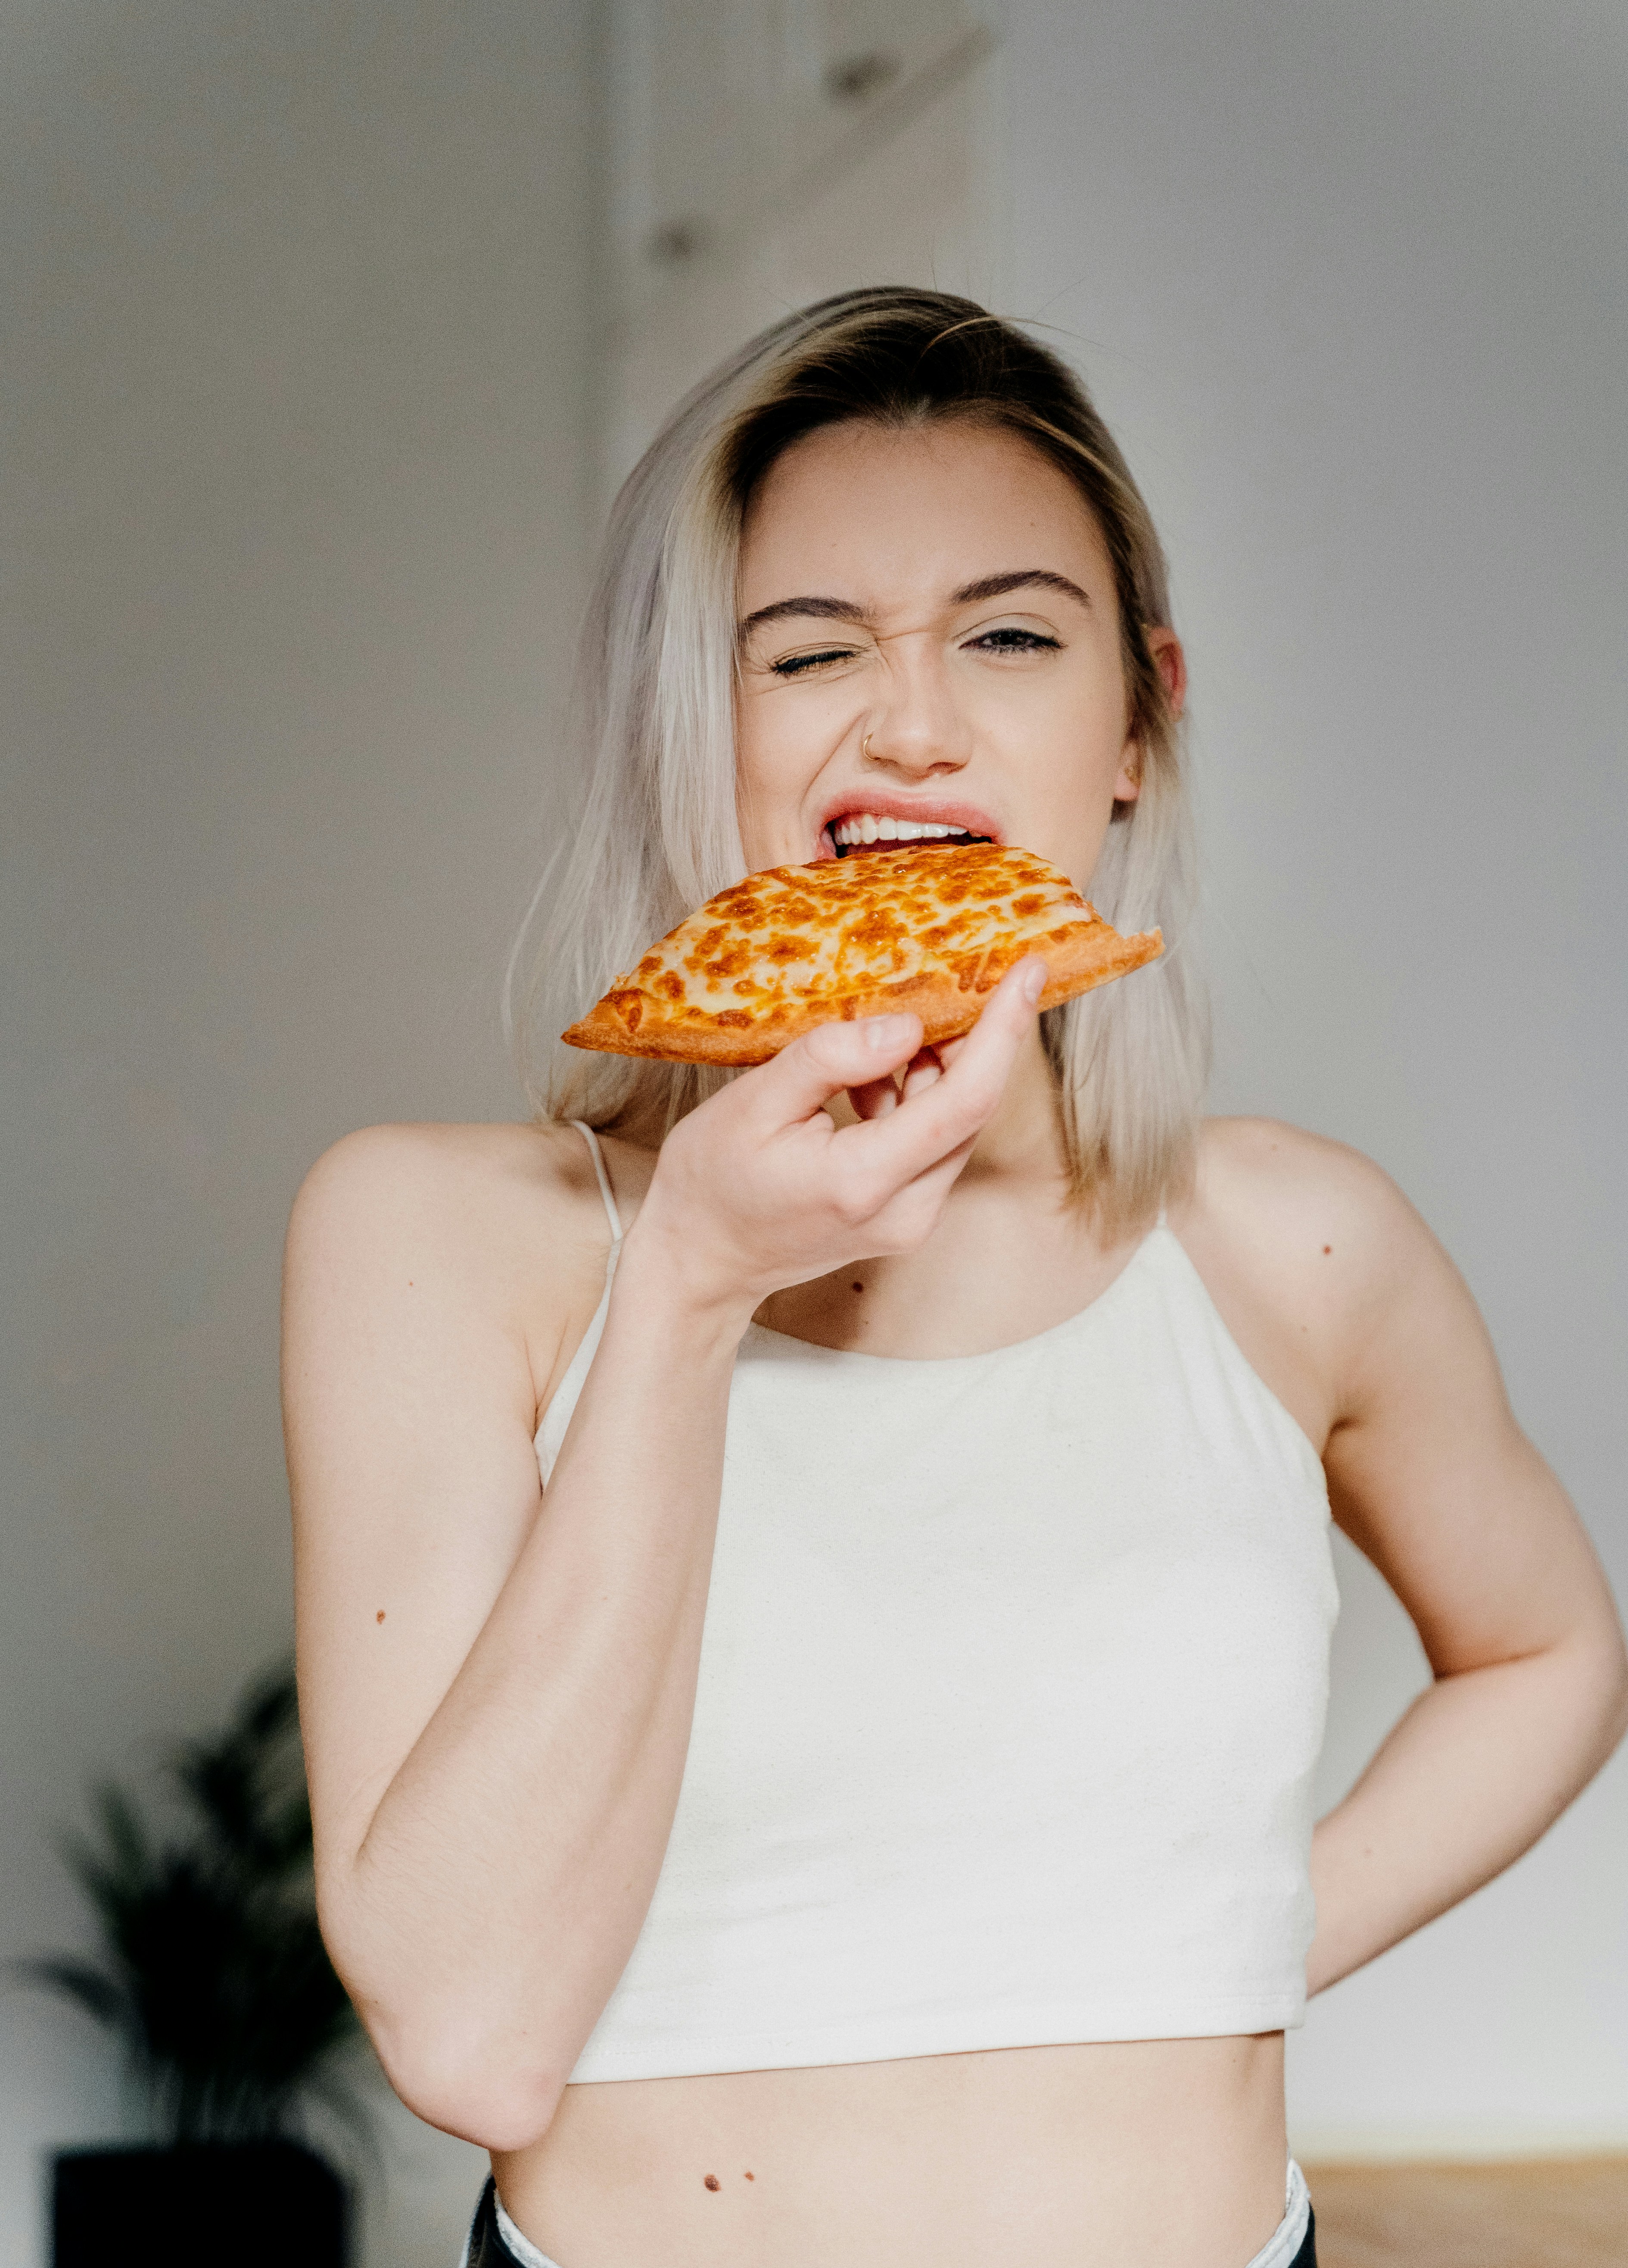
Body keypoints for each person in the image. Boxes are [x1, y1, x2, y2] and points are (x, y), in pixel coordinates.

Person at [282, 288, 1628, 2268]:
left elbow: (1553, 1652)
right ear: (697, 736)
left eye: (1010, 635)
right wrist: (691, 1285)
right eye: (808, 650)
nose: (911, 721)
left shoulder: (1292, 1243)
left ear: (1138, 730)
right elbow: (470, 2035)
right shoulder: (442, 1238)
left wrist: (1235, 1935)